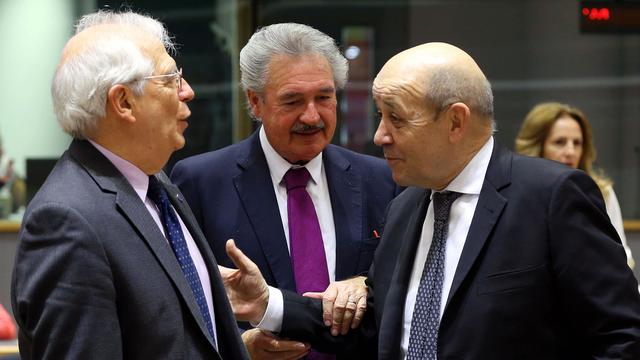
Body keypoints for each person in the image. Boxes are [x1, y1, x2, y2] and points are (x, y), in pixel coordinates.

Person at [219, 42, 640, 359]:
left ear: (456, 120)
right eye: (381, 117)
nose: (380, 136)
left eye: (397, 118)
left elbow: (622, 337)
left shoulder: (552, 198)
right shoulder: (405, 206)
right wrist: (266, 303)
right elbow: (374, 331)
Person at [11, 10, 248, 359]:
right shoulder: (66, 221)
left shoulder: (156, 183)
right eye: (170, 79)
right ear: (124, 102)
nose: (189, 91)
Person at [171, 23, 399, 359]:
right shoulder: (200, 181)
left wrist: (366, 284)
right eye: (292, 101)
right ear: (255, 102)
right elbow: (179, 304)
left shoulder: (380, 179)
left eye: (324, 97)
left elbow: (401, 288)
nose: (311, 116)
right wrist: (240, 347)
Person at [515, 102, 635, 269]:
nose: (570, 151)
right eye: (560, 142)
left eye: (577, 143)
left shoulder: (601, 191)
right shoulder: (516, 194)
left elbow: (622, 254)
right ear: (537, 147)